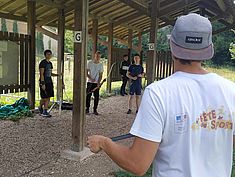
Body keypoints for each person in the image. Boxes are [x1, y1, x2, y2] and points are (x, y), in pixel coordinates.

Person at [87, 13, 235, 177]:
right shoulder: (231, 91)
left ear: (172, 46)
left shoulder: (158, 93)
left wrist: (104, 142)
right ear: (209, 50)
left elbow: (137, 164)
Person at [39, 49, 59, 117]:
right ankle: (40, 106)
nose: (49, 55)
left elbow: (49, 73)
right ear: (45, 55)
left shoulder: (50, 63)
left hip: (49, 81)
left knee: (49, 96)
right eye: (48, 54)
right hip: (44, 82)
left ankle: (45, 111)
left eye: (50, 54)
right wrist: (42, 83)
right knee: (44, 97)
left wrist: (57, 75)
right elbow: (41, 74)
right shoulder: (43, 63)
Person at [86, 51, 103, 115]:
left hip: (96, 83)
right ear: (94, 56)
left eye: (99, 56)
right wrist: (90, 78)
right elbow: (86, 72)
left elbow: (101, 75)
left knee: (96, 97)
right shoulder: (90, 63)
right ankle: (87, 108)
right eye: (97, 56)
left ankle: (95, 109)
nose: (98, 57)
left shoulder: (100, 65)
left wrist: (98, 82)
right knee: (88, 95)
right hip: (90, 82)